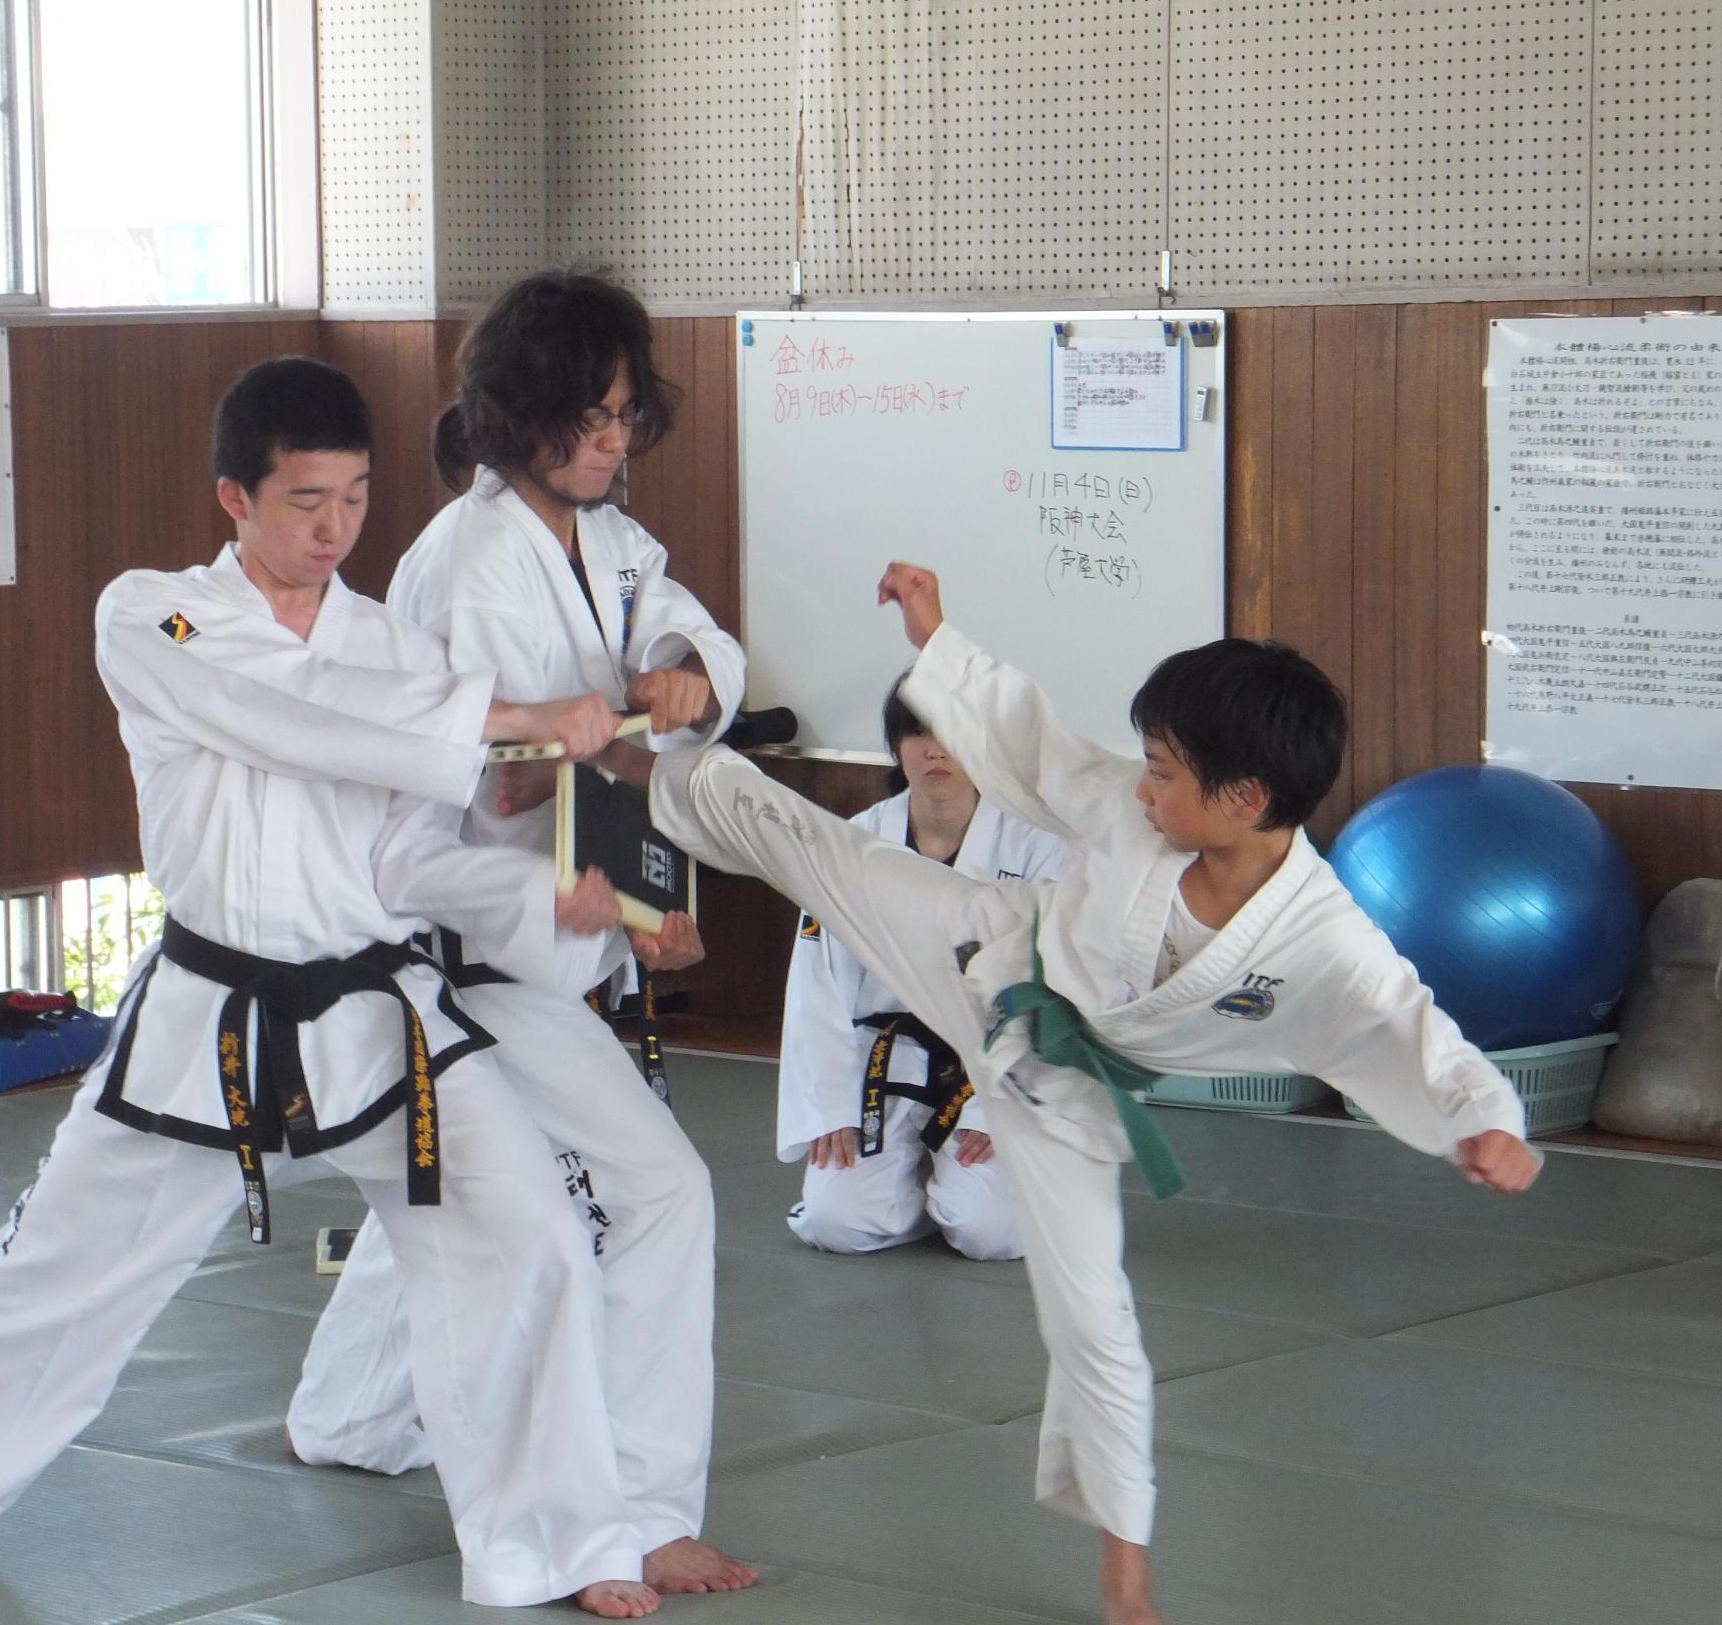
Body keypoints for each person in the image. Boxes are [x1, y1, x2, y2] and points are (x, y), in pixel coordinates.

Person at [0, 356, 679, 1619]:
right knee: (47, 1278)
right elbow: (286, 714)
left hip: (373, 1013)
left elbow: (409, 851)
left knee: (532, 1238)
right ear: (231, 500)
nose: (334, 529)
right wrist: (508, 716)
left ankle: (563, 1545)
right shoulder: (157, 618)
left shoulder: (396, 651)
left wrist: (556, 908)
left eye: (355, 498)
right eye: (305, 500)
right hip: (206, 1018)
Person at [617, 562, 1541, 1625]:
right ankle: (645, 766)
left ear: (1244, 798)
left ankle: (1126, 1567)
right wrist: (937, 638)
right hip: (993, 953)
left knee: (1096, 1322)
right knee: (814, 849)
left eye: (1163, 772)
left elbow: (1412, 1020)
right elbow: (1033, 742)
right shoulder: (1128, 811)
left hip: (1064, 1099)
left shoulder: (1323, 939)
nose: (1140, 788)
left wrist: (1485, 1118)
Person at [285, 271, 756, 1604]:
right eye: (587, 417)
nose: (612, 440)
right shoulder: (466, 566)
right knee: (645, 1192)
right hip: (448, 949)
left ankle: (344, 1415)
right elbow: (483, 777)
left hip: (548, 937)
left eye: (623, 415)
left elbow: (678, 627)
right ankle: (644, 1508)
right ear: (518, 416)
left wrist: (684, 668)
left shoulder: (600, 540)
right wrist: (593, 799)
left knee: (446, 1202)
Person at [780, 676, 1065, 1259]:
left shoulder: (1038, 847)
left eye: (954, 732)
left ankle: (971, 1187)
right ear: (896, 746)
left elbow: (1054, 984)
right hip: (886, 1057)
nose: (936, 749)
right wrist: (830, 1107)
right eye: (917, 732)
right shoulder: (852, 844)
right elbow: (817, 983)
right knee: (836, 1223)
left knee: (991, 1233)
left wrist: (1001, 1108)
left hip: (992, 1061)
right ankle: (921, 1190)